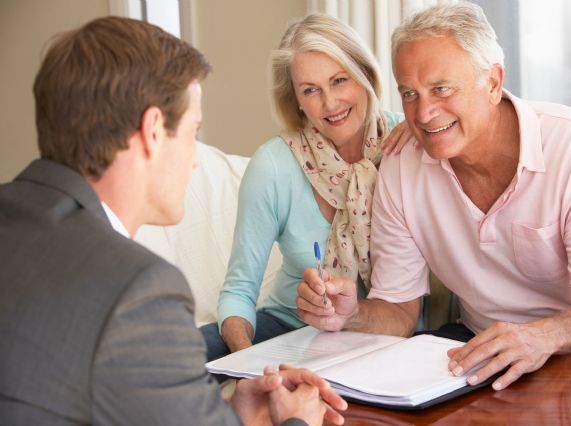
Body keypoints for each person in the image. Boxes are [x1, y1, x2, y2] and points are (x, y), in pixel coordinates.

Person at [0, 16, 347, 426]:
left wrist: (229, 416)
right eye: (193, 132)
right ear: (151, 131)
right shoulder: (138, 293)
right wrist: (296, 422)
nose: (196, 158)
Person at [296, 1, 571, 392]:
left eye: (441, 89)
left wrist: (540, 337)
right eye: (409, 93)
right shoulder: (400, 165)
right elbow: (398, 310)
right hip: (479, 345)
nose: (424, 114)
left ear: (492, 82)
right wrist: (352, 314)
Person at [199, 13, 416, 361]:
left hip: (385, 329)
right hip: (291, 326)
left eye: (339, 80)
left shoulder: (409, 143)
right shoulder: (273, 165)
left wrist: (419, 130)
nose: (330, 103)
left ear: (365, 76)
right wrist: (246, 364)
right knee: (176, 354)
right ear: (296, 100)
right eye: (310, 90)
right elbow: (239, 290)